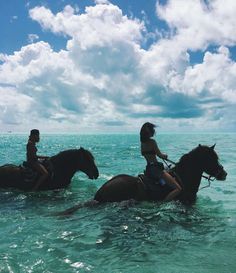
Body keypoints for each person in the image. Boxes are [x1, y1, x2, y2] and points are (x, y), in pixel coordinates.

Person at [140, 122, 182, 201]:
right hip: (156, 169)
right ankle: (163, 204)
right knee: (178, 189)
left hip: (148, 169)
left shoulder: (142, 143)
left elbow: (144, 154)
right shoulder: (152, 142)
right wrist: (165, 155)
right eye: (153, 130)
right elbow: (159, 155)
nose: (154, 132)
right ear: (150, 132)